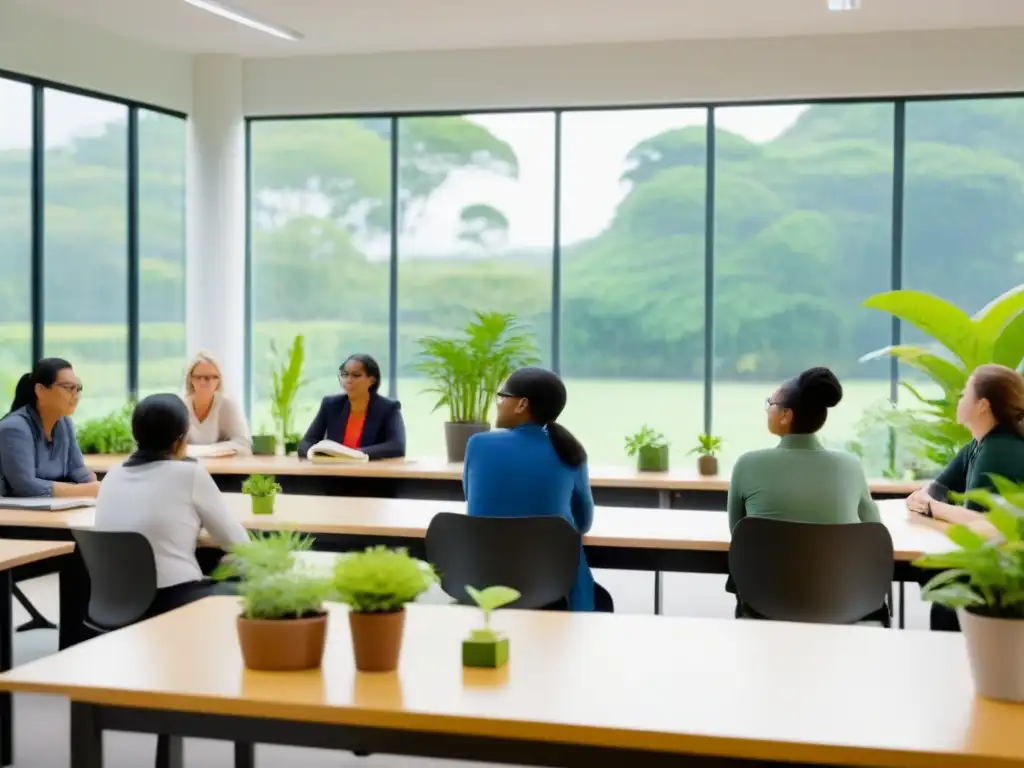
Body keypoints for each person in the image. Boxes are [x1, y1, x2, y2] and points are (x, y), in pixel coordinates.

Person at [726, 367, 881, 617]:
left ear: (786, 415)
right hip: (842, 605)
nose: (767, 409)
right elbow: (873, 529)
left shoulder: (747, 465)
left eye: (770, 403)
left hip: (765, 606)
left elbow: (739, 535)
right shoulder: (850, 466)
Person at [94, 394, 249, 617]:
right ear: (179, 440)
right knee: (256, 584)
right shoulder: (189, 474)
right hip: (173, 600)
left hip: (116, 601)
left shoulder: (111, 475)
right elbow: (238, 543)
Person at [463, 367, 603, 612]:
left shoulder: (478, 444)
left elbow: (472, 499)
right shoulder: (571, 453)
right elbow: (583, 523)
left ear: (521, 405)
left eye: (502, 396)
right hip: (550, 582)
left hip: (484, 577)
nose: (498, 404)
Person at [905, 363, 1024, 632]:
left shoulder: (999, 449)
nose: (959, 398)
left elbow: (982, 522)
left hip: (1005, 576)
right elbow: (936, 490)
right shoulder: (978, 444)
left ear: (982, 405)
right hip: (989, 561)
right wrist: (922, 499)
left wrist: (932, 507)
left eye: (964, 393)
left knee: (944, 596)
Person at [0, 358, 99, 498]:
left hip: (52, 508)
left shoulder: (65, 423)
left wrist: (92, 482)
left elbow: (76, 468)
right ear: (41, 390)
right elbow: (24, 485)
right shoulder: (15, 428)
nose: (76, 396)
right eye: (68, 388)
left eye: (78, 388)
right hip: (13, 515)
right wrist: (84, 490)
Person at [298, 354, 406, 460]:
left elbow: (397, 446)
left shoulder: (388, 408)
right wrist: (315, 453)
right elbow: (307, 442)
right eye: (345, 375)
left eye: (356, 375)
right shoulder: (331, 405)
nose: (348, 380)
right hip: (333, 471)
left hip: (370, 473)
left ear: (372, 380)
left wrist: (354, 454)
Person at [182, 352, 251, 455]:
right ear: (190, 379)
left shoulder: (227, 404)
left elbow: (244, 441)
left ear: (219, 380)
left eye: (210, 377)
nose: (203, 382)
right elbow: (169, 446)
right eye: (199, 377)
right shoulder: (180, 405)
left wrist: (202, 451)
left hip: (223, 467)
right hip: (187, 465)